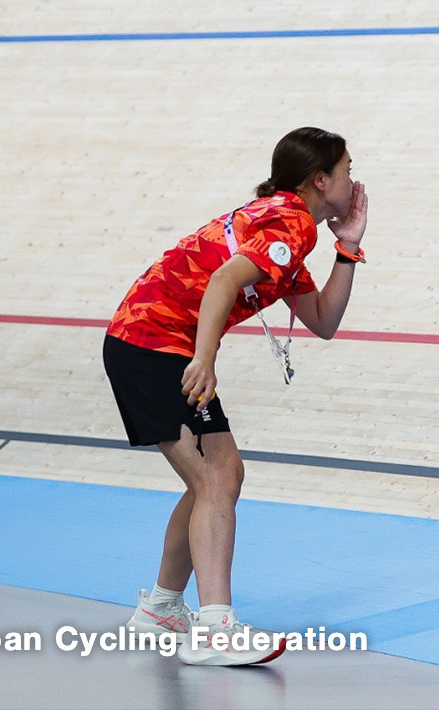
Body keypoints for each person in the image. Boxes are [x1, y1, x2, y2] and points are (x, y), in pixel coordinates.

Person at [102, 127, 369, 665]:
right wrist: (204, 358)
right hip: (154, 345)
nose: (353, 179)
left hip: (148, 343)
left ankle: (161, 611)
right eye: (345, 170)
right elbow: (224, 280)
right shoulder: (291, 224)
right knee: (216, 478)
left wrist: (350, 247)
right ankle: (214, 630)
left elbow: (322, 321)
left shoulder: (283, 222)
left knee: (216, 479)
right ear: (320, 180)